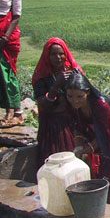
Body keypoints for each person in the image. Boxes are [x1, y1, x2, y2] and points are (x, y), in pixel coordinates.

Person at [65, 72, 110, 206]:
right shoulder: (73, 106)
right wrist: (78, 146)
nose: (75, 100)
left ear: (88, 93)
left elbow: (106, 135)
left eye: (79, 96)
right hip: (102, 132)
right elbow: (77, 126)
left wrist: (87, 149)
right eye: (70, 96)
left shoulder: (101, 106)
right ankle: (108, 193)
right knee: (102, 165)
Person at [32, 38, 85, 167]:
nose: (58, 57)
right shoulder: (42, 77)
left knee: (76, 160)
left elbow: (84, 96)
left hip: (72, 123)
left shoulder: (73, 71)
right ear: (47, 56)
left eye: (61, 53)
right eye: (53, 54)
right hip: (52, 126)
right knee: (56, 163)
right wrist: (56, 85)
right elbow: (43, 104)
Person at [0, 0, 23, 127]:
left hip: (6, 36)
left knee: (8, 73)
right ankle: (7, 110)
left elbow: (16, 15)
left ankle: (16, 111)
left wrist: (5, 37)